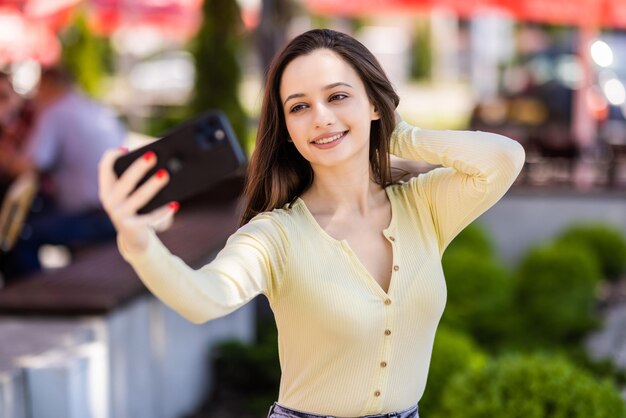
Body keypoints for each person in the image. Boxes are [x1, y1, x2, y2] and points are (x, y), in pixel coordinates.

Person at [98, 29, 525, 418]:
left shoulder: (424, 206)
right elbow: (205, 298)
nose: (320, 117)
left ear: (374, 102)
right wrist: (139, 242)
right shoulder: (274, 236)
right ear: (286, 130)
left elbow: (504, 159)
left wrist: (399, 134)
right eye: (300, 107)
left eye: (338, 97)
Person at [0, 67, 125, 280]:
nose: (33, 95)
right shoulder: (94, 107)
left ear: (48, 86)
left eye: (38, 88)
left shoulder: (55, 113)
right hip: (115, 212)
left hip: (89, 217)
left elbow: (29, 165)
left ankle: (31, 299)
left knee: (20, 235)